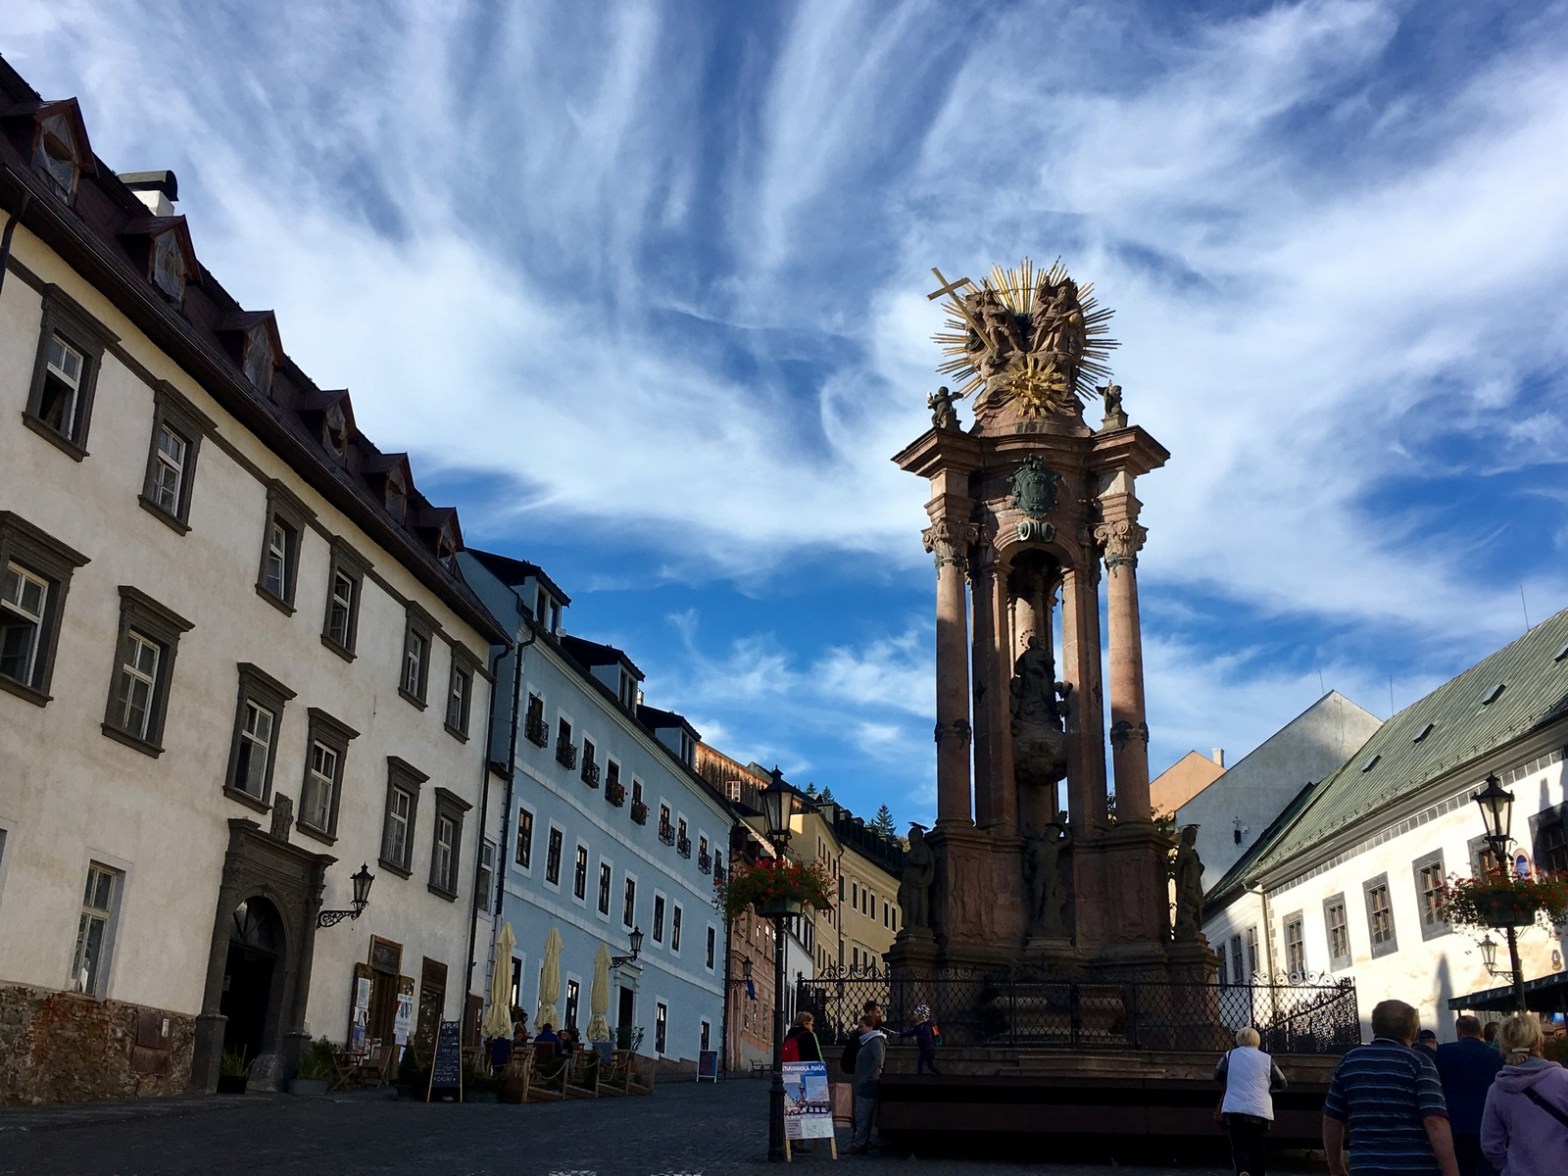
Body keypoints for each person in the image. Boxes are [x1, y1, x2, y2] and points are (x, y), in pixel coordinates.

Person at [1323, 999, 1460, 1176]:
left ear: (1374, 1026)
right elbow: (1434, 1121)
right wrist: (1452, 1171)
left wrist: (1336, 1168)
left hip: (1366, 1167)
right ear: (1412, 1029)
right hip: (1415, 1167)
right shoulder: (1419, 1063)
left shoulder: (1350, 1061)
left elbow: (1332, 1120)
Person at [1481, 1012, 1568, 1176]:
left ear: (1504, 1046)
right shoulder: (1564, 1080)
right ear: (1539, 1041)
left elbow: (1490, 1145)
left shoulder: (1498, 1090)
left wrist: (1510, 1165)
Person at [1436, 1015, 1504, 1176]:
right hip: (1490, 1123)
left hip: (1457, 1124)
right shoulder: (1497, 1054)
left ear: (1459, 1032)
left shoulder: (1444, 1053)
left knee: (1463, 1169)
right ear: (1480, 1032)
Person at [1215, 1026, 1287, 1176]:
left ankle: (1243, 1170)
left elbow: (1218, 1075)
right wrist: (1267, 1089)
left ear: (1238, 1040)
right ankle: (1258, 1173)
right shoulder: (1267, 1059)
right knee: (1257, 1145)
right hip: (1259, 1110)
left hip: (1235, 1108)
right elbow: (1281, 1082)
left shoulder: (1229, 1056)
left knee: (1238, 1144)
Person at [850, 1015, 886, 1155]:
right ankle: (860, 1142)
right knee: (861, 1115)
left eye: (862, 1026)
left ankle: (859, 1144)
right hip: (863, 1083)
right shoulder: (867, 1041)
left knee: (863, 1115)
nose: (859, 1029)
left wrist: (868, 1078)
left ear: (870, 1027)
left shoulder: (875, 1040)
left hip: (867, 1084)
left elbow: (878, 1061)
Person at [898, 1004, 942, 1075]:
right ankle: (940, 1075)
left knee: (921, 1063)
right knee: (930, 1065)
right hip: (929, 1049)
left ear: (921, 1016)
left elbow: (927, 1038)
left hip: (927, 1049)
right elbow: (911, 1032)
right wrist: (900, 1034)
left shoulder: (924, 1026)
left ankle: (920, 1078)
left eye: (916, 1014)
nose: (914, 1016)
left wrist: (917, 1039)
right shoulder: (920, 1026)